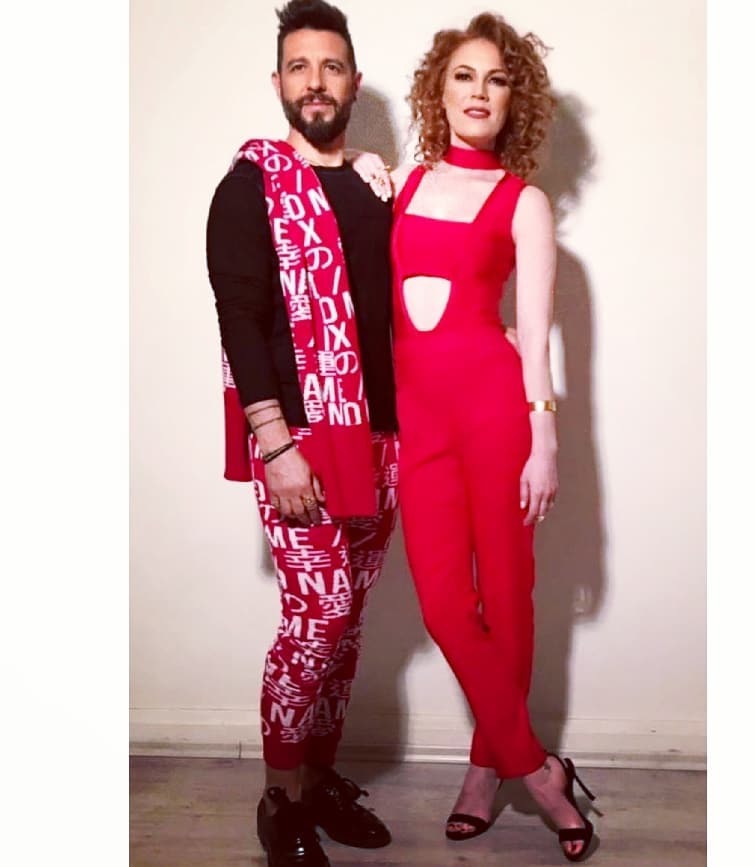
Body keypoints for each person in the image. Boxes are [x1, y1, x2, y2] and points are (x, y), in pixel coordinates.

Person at [355, 12, 599, 862]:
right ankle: (539, 769)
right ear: (438, 88)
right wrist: (359, 172)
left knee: (506, 594)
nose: (478, 92)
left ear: (512, 99)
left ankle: (484, 768)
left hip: (497, 418)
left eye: (496, 79)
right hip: (420, 425)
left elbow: (534, 341)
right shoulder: (401, 186)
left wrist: (545, 439)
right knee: (444, 604)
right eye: (463, 75)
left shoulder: (522, 203)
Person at [205, 2, 398, 865]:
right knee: (315, 618)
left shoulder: (373, 186)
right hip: (301, 437)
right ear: (278, 81)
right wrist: (275, 444)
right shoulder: (248, 186)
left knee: (346, 624)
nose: (314, 81)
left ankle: (317, 777)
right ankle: (280, 796)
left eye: (330, 66)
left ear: (353, 82)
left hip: (382, 436)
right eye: (298, 66)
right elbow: (241, 319)